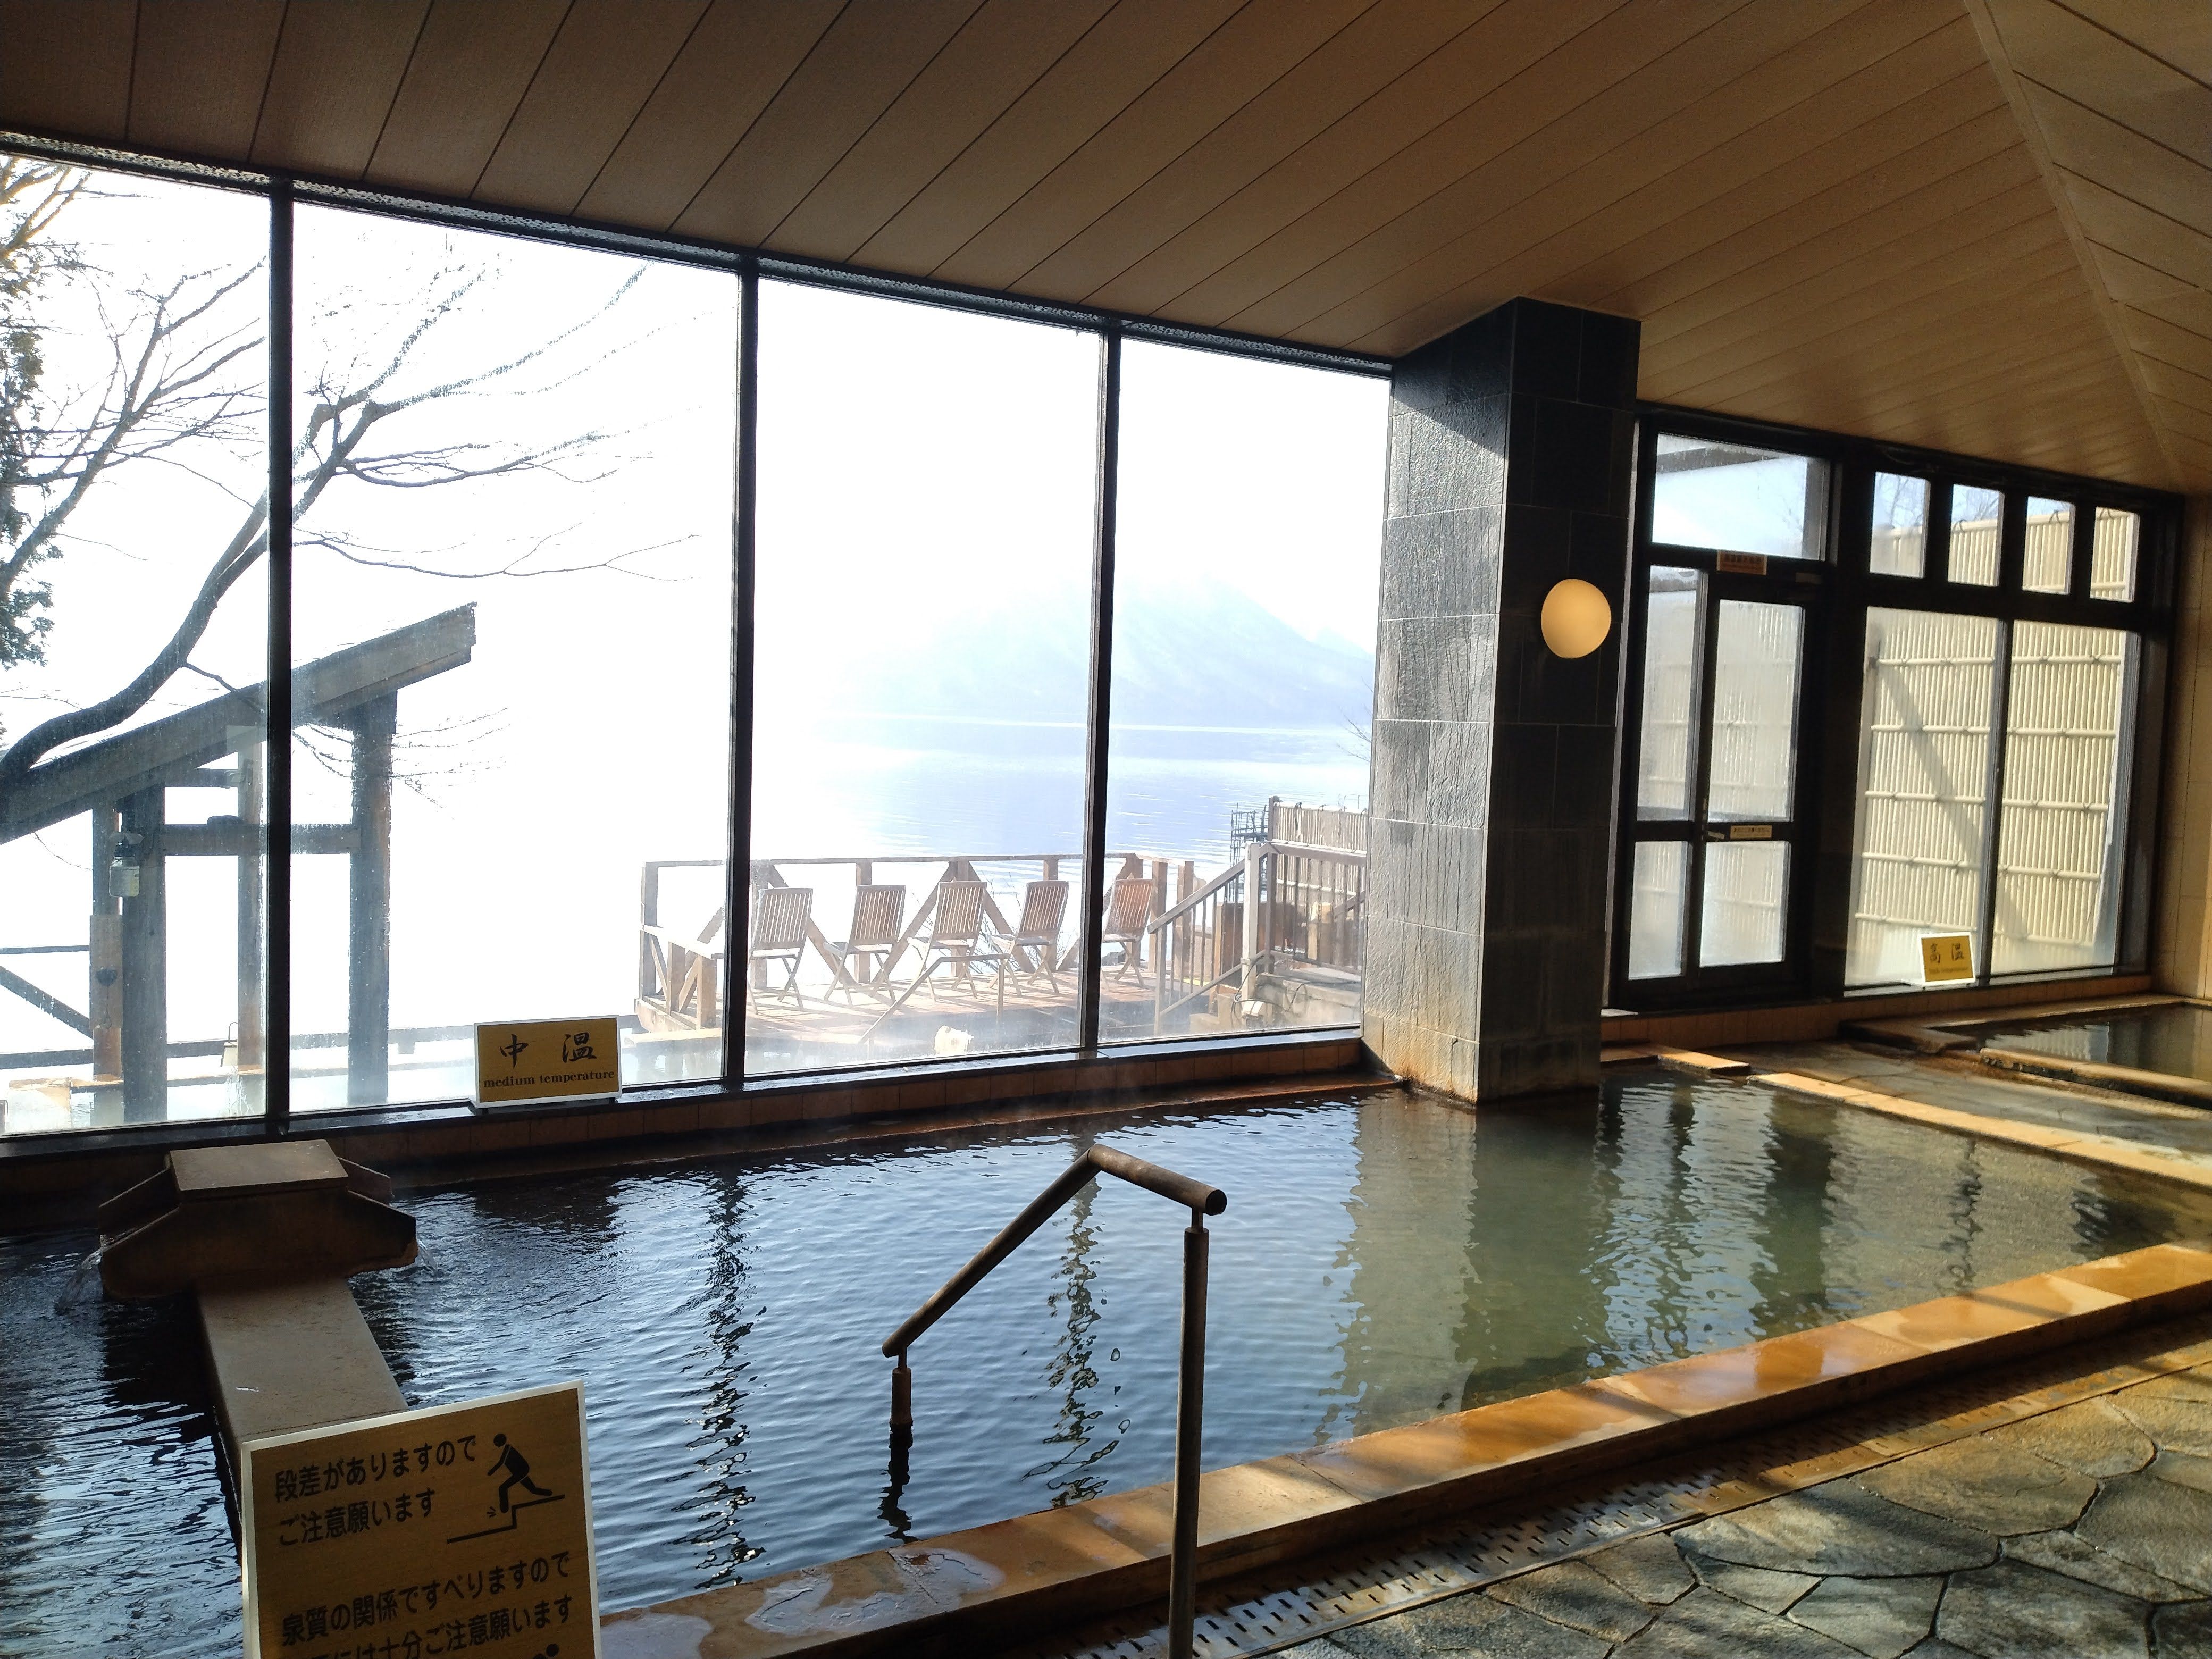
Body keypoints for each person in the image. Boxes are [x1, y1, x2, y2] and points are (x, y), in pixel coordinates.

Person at [488, 1433, 552, 1512]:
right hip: (519, 1472)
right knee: (533, 1490)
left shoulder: (508, 1448)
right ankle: (550, 1493)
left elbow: (501, 1462)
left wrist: (491, 1472)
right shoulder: (505, 1449)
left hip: (522, 1471)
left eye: (497, 1442)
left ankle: (504, 1510)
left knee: (503, 1488)